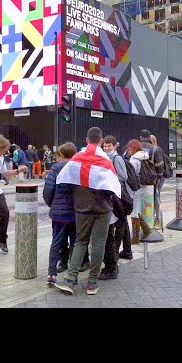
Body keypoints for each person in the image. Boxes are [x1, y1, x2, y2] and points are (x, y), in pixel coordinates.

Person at [53, 127, 121, 296]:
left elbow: (63, 179)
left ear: (86, 139)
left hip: (82, 207)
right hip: (103, 208)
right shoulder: (106, 161)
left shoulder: (77, 158)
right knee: (99, 244)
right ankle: (92, 283)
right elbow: (114, 186)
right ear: (101, 140)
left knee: (80, 242)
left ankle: (70, 280)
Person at [43, 142, 78, 286]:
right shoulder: (78, 168)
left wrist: (53, 205)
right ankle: (73, 274)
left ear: (61, 155)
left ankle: (52, 273)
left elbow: (48, 191)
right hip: (75, 213)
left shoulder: (56, 169)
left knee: (56, 242)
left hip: (58, 214)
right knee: (75, 243)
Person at [99, 135, 132, 279]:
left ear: (115, 146)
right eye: (105, 146)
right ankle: (124, 251)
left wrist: (109, 178)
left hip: (118, 194)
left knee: (119, 224)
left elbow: (123, 177)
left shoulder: (116, 159)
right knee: (121, 223)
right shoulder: (105, 158)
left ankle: (116, 253)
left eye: (109, 146)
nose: (106, 148)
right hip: (112, 193)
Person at [128, 139, 154, 243]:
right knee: (134, 210)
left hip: (135, 189)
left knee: (133, 212)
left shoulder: (134, 159)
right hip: (143, 187)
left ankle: (135, 238)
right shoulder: (144, 156)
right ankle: (146, 229)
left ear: (133, 148)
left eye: (129, 148)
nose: (128, 150)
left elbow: (131, 175)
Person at [139, 130, 165, 228]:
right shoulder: (155, 149)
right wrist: (158, 177)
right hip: (151, 180)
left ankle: (140, 223)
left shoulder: (135, 147)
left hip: (138, 180)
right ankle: (156, 221)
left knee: (138, 201)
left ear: (140, 137)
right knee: (154, 199)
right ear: (149, 137)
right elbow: (159, 165)